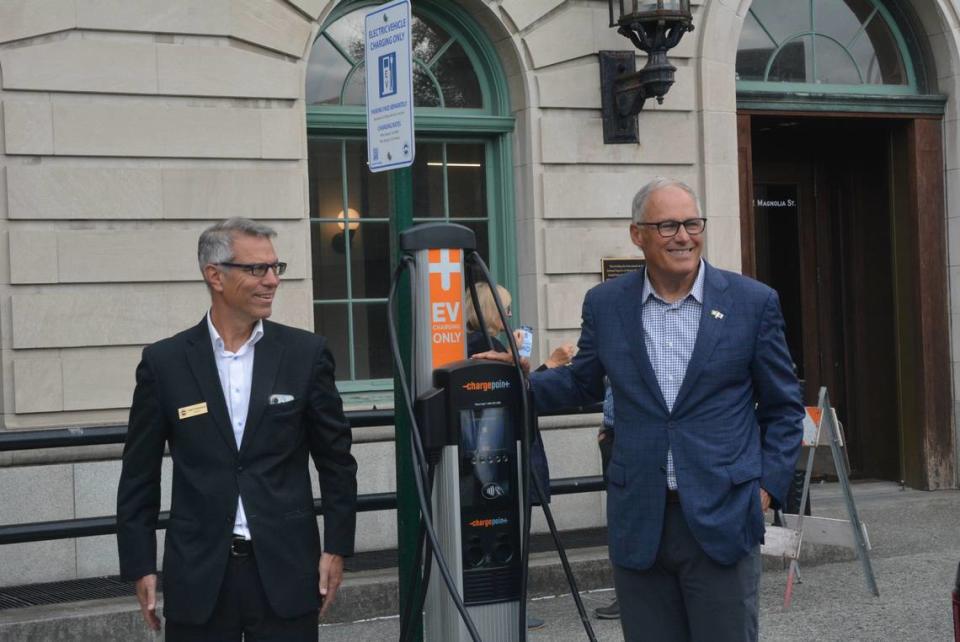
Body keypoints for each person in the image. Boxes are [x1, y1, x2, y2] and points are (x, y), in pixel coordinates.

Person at [474, 178, 804, 641]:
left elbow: (784, 408)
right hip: (641, 518)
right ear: (637, 235)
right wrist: (514, 383)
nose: (684, 236)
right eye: (668, 225)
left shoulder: (752, 302)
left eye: (692, 223)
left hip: (724, 514)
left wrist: (767, 486)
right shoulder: (608, 304)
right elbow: (579, 381)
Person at [116, 218, 358, 640]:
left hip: (286, 570)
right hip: (199, 575)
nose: (271, 281)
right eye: (256, 269)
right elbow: (139, 473)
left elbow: (337, 462)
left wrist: (336, 547)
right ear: (215, 276)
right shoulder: (165, 363)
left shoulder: (306, 354)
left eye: (275, 268)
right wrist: (139, 564)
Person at [464, 281, 574, 631]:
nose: (509, 315)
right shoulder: (488, 348)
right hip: (505, 458)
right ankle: (509, 606)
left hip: (485, 462)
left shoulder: (472, 344)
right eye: (504, 308)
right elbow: (516, 399)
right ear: (490, 311)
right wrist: (551, 365)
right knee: (508, 536)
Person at [593, 382, 619, 621]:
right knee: (622, 518)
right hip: (615, 431)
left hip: (623, 433)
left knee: (625, 520)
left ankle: (628, 594)